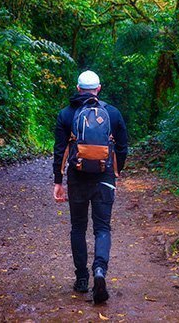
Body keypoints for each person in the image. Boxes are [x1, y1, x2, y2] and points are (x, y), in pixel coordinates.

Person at [52, 70, 128, 304]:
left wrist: (58, 180)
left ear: (77, 88)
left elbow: (59, 151)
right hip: (104, 177)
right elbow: (123, 147)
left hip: (77, 178)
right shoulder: (112, 113)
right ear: (99, 88)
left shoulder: (66, 114)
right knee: (102, 228)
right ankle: (100, 271)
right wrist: (116, 171)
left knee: (78, 227)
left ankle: (82, 279)